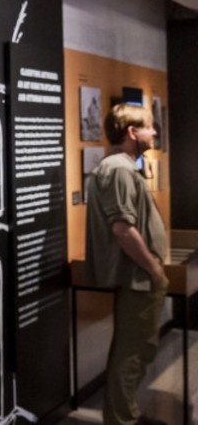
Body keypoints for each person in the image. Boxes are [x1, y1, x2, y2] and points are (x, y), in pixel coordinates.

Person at [84, 103, 168, 425]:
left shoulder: (123, 167)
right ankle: (122, 419)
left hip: (139, 277)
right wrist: (154, 269)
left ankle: (125, 414)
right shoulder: (119, 169)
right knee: (133, 351)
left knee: (135, 349)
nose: (154, 132)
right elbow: (122, 228)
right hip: (138, 277)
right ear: (132, 132)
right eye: (148, 126)